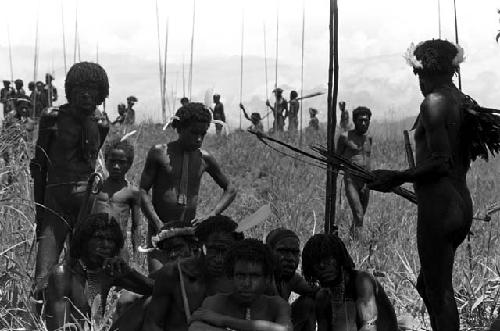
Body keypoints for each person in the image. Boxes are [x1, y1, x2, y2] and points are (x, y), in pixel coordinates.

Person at [368, 39, 475, 331]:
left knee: (439, 294)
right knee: (427, 285)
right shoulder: (462, 100)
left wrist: (397, 177)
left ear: (422, 73)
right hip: (460, 203)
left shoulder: (433, 102)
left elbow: (441, 162)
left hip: (440, 207)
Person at [30, 61, 110, 296]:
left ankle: (83, 320)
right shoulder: (52, 118)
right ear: (70, 90)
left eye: (92, 89)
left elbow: (92, 160)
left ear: (100, 93)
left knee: (86, 269)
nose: (86, 94)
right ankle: (36, 321)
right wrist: (39, 209)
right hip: (55, 202)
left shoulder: (101, 124)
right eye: (80, 88)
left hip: (87, 202)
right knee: (43, 274)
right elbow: (39, 166)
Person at [139, 102, 237, 272]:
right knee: (159, 282)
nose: (199, 139)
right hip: (161, 231)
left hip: (189, 233)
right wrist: (156, 223)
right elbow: (142, 191)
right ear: (179, 128)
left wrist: (210, 216)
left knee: (188, 283)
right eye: (194, 133)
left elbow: (230, 189)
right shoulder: (159, 153)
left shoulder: (204, 158)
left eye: (203, 134)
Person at [44, 213, 154, 331]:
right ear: (84, 240)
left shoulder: (108, 273)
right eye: (99, 238)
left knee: (146, 301)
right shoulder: (63, 275)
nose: (105, 245)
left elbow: (158, 290)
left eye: (110, 240)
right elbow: (58, 328)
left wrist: (128, 271)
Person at [141, 215, 244, 331]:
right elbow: (153, 324)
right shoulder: (172, 274)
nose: (219, 259)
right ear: (200, 245)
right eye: (213, 250)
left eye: (225, 251)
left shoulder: (242, 280)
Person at [111, 220, 200, 331]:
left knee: (149, 302)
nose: (172, 255)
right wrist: (122, 277)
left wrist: (130, 274)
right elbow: (151, 285)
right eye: (167, 251)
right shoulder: (168, 272)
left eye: (177, 248)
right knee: (126, 298)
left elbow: (160, 287)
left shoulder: (204, 269)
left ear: (193, 247)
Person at [189, 238, 292, 331]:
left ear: (267, 279)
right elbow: (196, 328)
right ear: (231, 276)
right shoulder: (215, 302)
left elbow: (284, 329)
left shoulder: (277, 305)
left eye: (255, 276)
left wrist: (224, 320)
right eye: (240, 276)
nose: (246, 283)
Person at [302, 233, 398, 331]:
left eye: (327, 259)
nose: (322, 265)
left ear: (339, 259)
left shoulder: (362, 281)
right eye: (317, 262)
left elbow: (369, 327)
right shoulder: (322, 297)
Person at [94, 138, 141, 262]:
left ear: (129, 164)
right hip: (95, 245)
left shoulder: (132, 192)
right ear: (106, 161)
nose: (116, 166)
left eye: (121, 162)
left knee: (120, 278)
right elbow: (84, 216)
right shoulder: (97, 187)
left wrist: (136, 255)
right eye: (112, 161)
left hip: (118, 245)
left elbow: (136, 226)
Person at [265, 229, 317, 331]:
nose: (290, 258)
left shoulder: (290, 278)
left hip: (282, 325)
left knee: (310, 302)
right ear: (269, 252)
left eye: (294, 253)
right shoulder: (261, 277)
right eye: (283, 251)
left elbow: (316, 290)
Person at [336, 106, 373, 239]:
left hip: (366, 181)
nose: (364, 123)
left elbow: (367, 158)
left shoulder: (369, 138)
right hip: (351, 180)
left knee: (361, 215)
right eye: (360, 120)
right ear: (355, 121)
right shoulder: (345, 137)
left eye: (366, 120)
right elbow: (336, 160)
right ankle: (359, 244)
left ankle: (352, 241)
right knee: (358, 213)